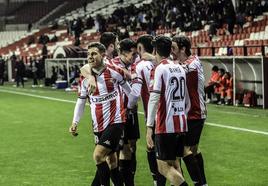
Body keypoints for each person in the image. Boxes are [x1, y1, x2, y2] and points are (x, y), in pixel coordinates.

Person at [69, 42, 131, 186]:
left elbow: (130, 92)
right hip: (98, 125)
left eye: (94, 53)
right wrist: (75, 122)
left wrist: (126, 108)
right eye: (88, 54)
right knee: (111, 161)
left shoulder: (114, 71)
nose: (90, 57)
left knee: (98, 156)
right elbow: (81, 101)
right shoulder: (85, 78)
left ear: (103, 55)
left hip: (115, 122)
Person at [146, 36, 190, 186]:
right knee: (175, 164)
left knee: (163, 167)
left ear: (155, 50)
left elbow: (154, 99)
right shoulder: (180, 67)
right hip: (181, 123)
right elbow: (186, 99)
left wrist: (149, 127)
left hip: (166, 125)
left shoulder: (160, 68)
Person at [127, 35, 166, 185]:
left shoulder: (140, 66)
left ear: (140, 48)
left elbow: (135, 93)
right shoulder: (165, 63)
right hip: (171, 114)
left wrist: (129, 107)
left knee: (152, 149)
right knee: (172, 156)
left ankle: (157, 181)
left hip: (153, 115)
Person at [172, 35, 207, 186]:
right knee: (191, 150)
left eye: (173, 48)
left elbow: (181, 69)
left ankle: (198, 183)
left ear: (183, 48)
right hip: (184, 113)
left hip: (196, 112)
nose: (171, 51)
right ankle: (201, 183)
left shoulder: (193, 62)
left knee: (186, 150)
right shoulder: (178, 63)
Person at [111, 38, 139, 186]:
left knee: (131, 147)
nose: (134, 58)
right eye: (132, 54)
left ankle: (129, 179)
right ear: (122, 53)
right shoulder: (113, 65)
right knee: (117, 149)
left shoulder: (134, 64)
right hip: (118, 113)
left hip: (132, 112)